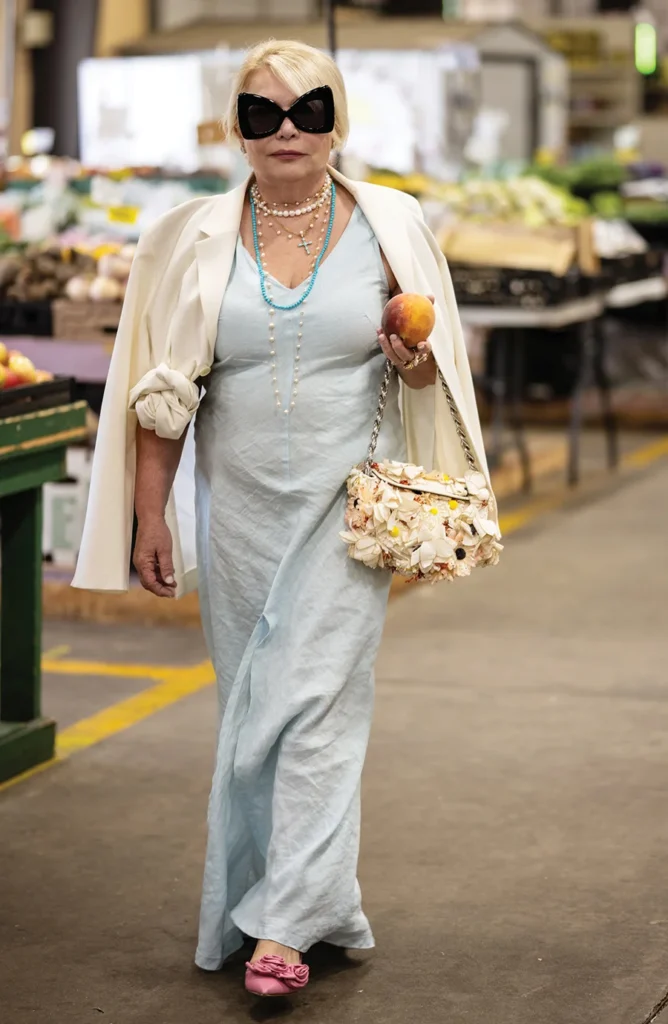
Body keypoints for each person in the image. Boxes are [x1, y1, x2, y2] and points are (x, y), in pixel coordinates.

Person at [72, 39, 496, 999]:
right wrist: (152, 517)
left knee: (317, 708)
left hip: (347, 513)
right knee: (256, 712)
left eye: (307, 108)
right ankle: (321, 900)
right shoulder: (188, 237)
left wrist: (410, 350)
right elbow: (163, 393)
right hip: (240, 515)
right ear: (238, 129)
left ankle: (284, 931)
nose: (288, 129)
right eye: (262, 114)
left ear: (337, 119)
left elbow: (431, 372)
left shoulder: (392, 222)